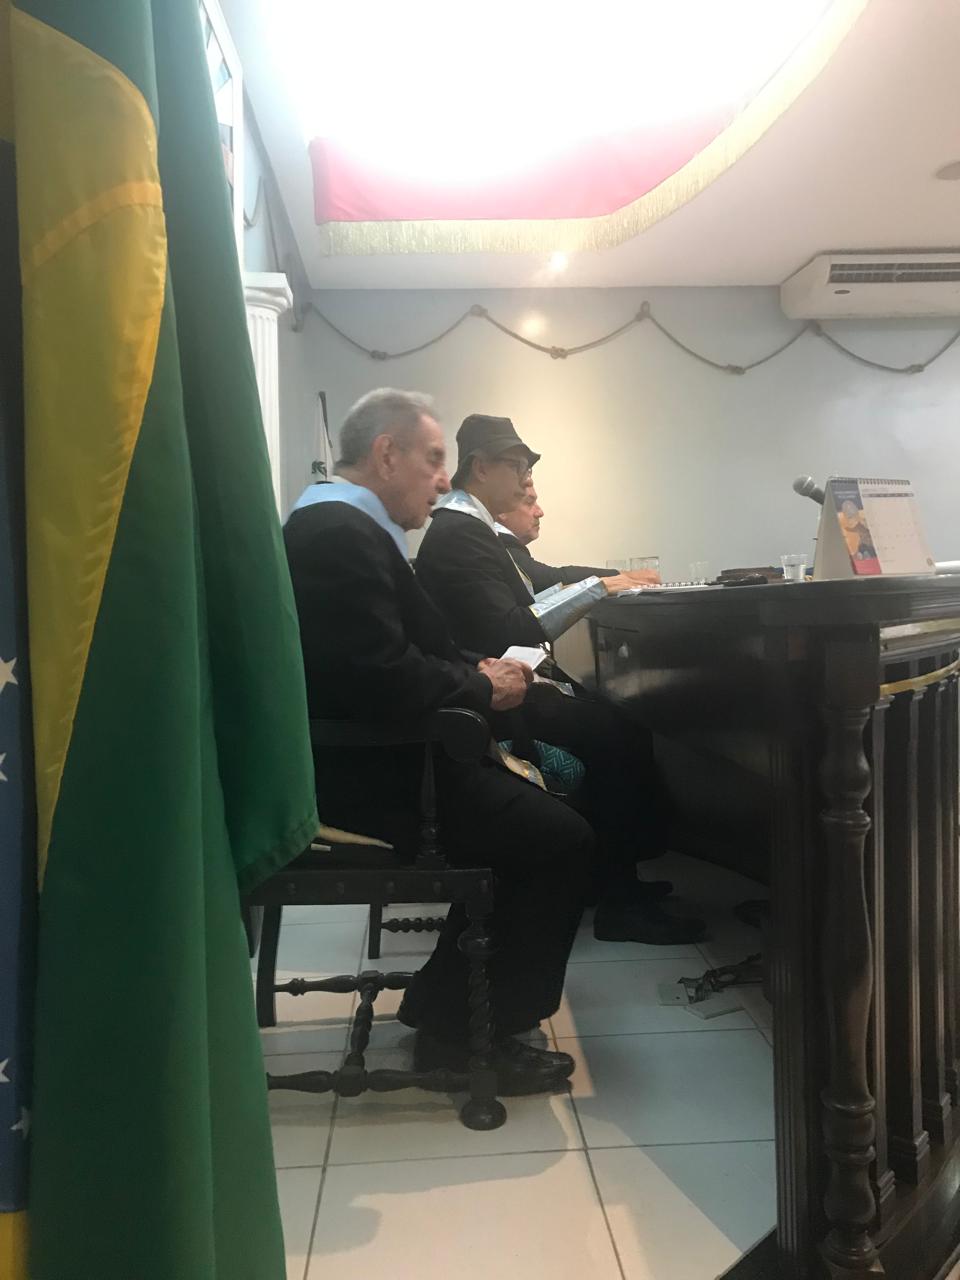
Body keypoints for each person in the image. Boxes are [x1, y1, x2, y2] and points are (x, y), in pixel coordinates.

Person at [283, 389, 593, 1095]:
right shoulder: (337, 532)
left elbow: (388, 658)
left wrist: (473, 670)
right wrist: (480, 685)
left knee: (540, 823)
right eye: (431, 459)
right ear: (385, 454)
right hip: (371, 772)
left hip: (376, 755)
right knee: (560, 840)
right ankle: (462, 1036)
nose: (444, 477)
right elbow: (378, 677)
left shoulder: (336, 523)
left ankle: (442, 1008)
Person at [415, 414, 706, 945]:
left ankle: (608, 876)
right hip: (487, 697)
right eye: (518, 467)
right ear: (481, 467)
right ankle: (619, 900)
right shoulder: (459, 533)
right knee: (615, 732)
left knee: (615, 720)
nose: (526, 481)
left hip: (492, 684)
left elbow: (545, 579)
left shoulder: (475, 530)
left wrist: (611, 578)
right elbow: (510, 627)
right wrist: (600, 588)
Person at [495, 480, 656, 594]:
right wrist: (622, 577)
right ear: (502, 508)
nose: (540, 512)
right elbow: (546, 579)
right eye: (529, 503)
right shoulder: (497, 541)